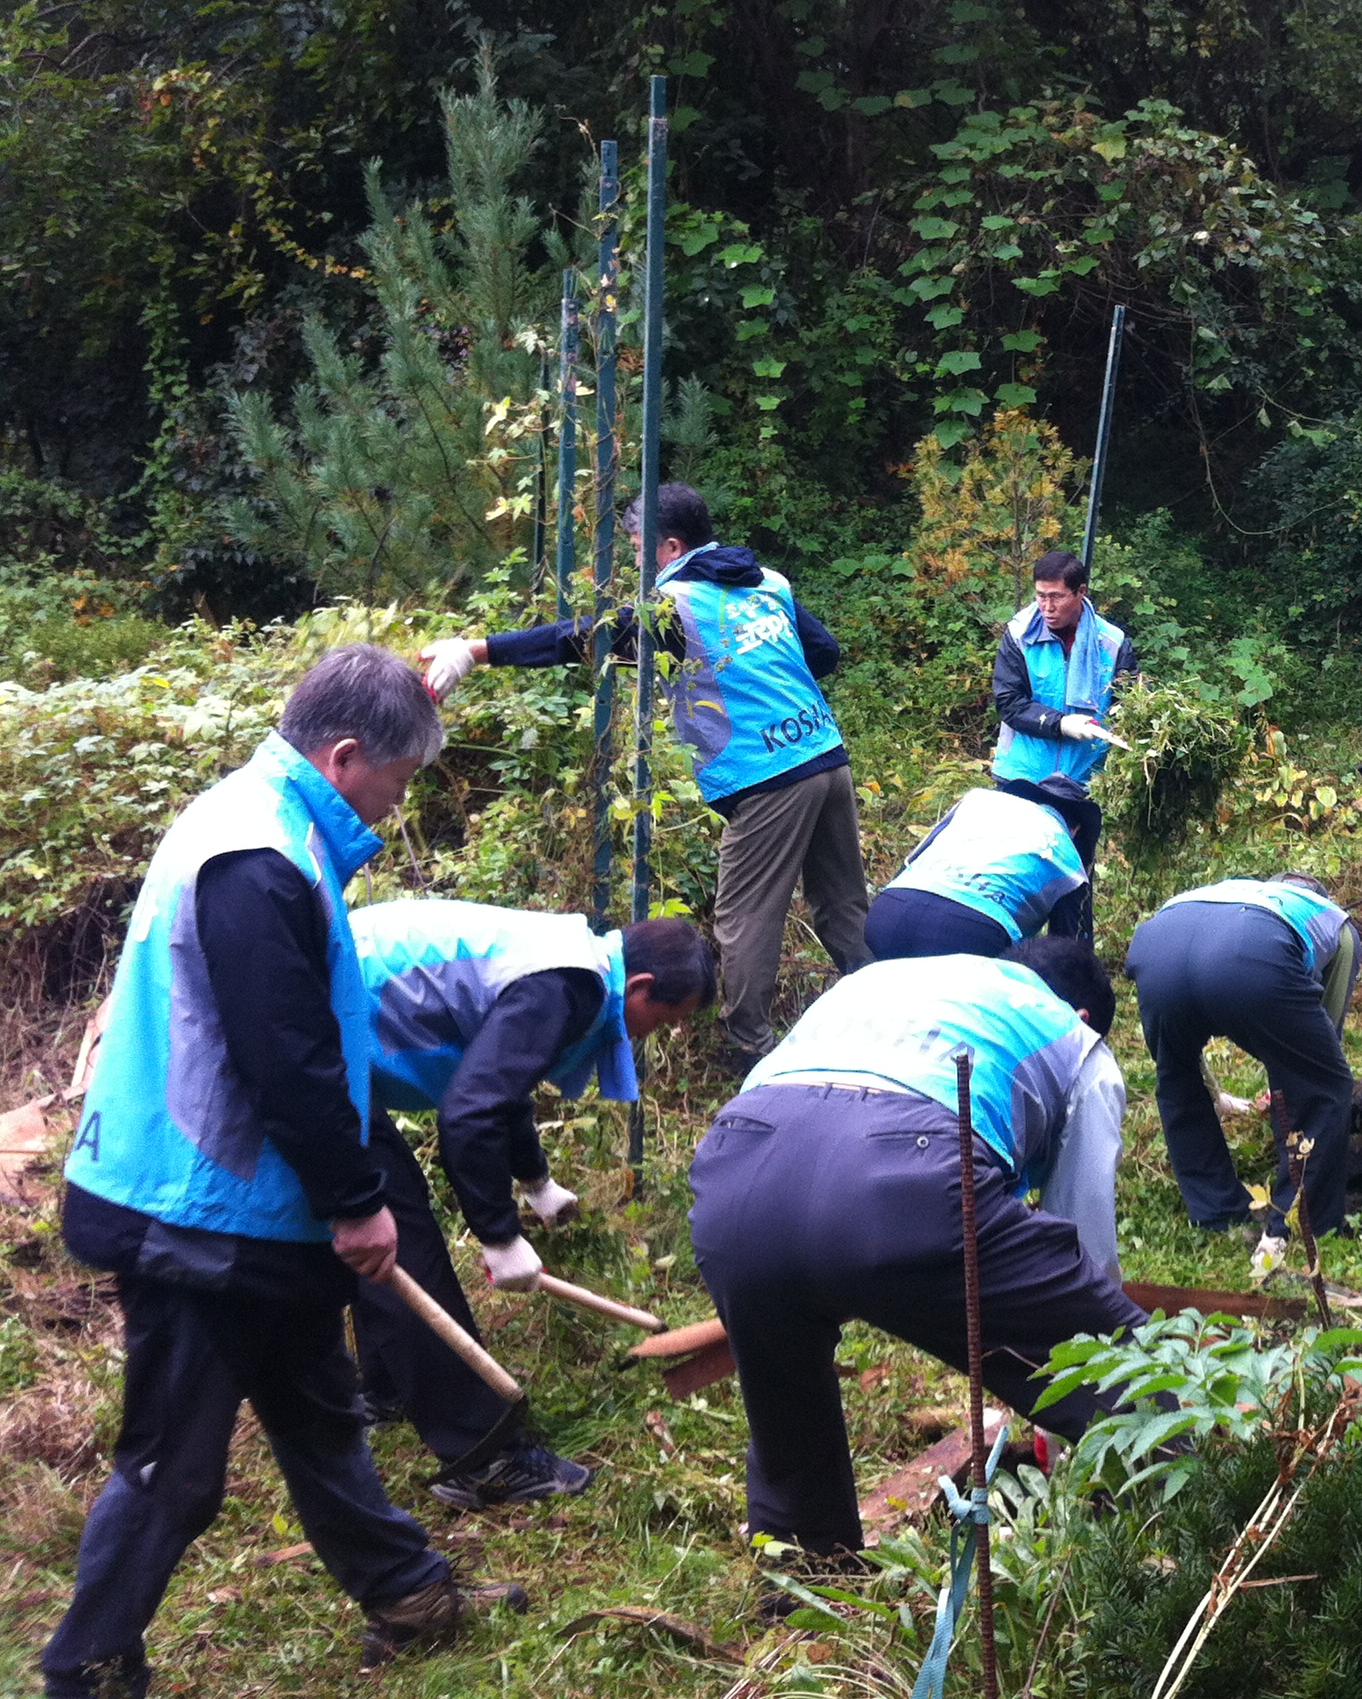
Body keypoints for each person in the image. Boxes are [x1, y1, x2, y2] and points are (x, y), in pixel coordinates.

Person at [47, 646, 520, 1697]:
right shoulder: (256, 855)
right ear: (344, 756)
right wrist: (357, 1199)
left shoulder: (275, 818)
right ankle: (85, 1663)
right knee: (178, 1461)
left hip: (254, 1206)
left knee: (317, 1407)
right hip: (194, 1209)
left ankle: (406, 1591)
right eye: (396, 784)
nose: (397, 809)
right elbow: (283, 1048)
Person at [689, 939, 1145, 1560]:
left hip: (735, 1173)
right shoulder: (1076, 1043)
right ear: (1086, 1015)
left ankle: (803, 1600)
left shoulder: (884, 982)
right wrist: (1079, 1372)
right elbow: (1084, 1249)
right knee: (1134, 1374)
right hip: (902, 1172)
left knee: (786, 1413)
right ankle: (1211, 1530)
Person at [418, 483, 871, 1069]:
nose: (633, 558)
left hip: (768, 776)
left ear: (669, 546)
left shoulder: (677, 606)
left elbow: (583, 638)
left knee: (745, 922)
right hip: (826, 756)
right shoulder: (768, 583)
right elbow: (826, 653)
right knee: (842, 904)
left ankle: (749, 1053)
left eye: (636, 546)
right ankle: (887, 1002)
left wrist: (476, 651)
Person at [346, 899, 715, 1506]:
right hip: (314, 1029)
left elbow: (500, 1075)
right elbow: (469, 1113)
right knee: (401, 1242)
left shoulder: (569, 962)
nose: (660, 1034)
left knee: (387, 1223)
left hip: (329, 1026)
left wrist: (536, 1184)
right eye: (667, 1018)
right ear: (642, 985)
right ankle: (481, 1457)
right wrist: (499, 1237)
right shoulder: (570, 986)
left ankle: (384, 1390)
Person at [1128, 874, 1359, 1242]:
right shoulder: (1334, 920)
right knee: (1325, 1086)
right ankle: (1297, 1224)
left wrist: (1214, 1094)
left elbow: (1176, 1050)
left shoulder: (1229, 890)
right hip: (1249, 955)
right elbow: (1324, 1043)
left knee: (1177, 1080)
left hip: (1157, 947)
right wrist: (1302, 1079)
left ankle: (1218, 1213)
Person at [990, 548, 1139, 888]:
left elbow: (1129, 707)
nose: (1047, 607)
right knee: (1012, 883)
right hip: (1021, 779)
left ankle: (1072, 943)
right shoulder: (1019, 636)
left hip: (1081, 786)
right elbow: (1009, 703)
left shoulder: (1112, 644)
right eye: (1040, 597)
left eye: (1056, 597)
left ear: (1080, 592)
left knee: (1073, 889)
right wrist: (1060, 723)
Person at [860, 782, 1089, 961]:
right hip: (971, 931)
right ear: (1076, 829)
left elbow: (910, 862)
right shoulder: (1067, 854)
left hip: (891, 910)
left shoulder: (978, 801)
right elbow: (1069, 955)